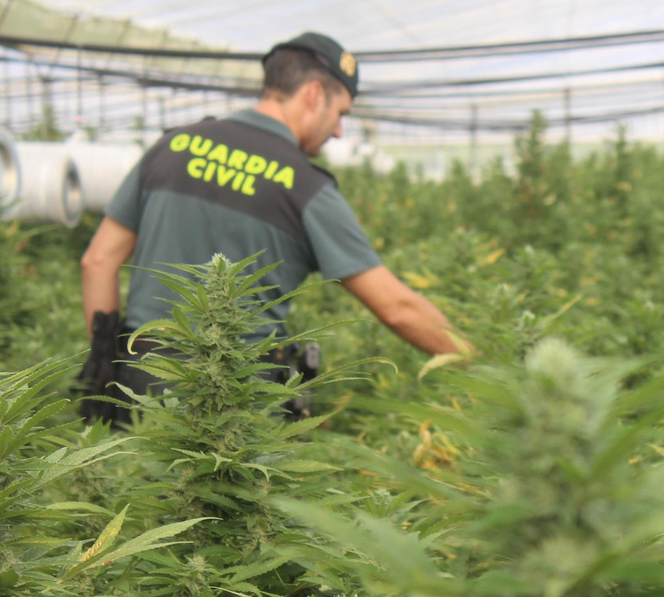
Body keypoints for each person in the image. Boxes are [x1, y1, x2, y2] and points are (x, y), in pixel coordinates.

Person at [77, 31, 464, 421]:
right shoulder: (307, 187)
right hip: (235, 401)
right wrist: (482, 364)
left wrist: (106, 362)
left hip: (142, 384)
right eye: (341, 114)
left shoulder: (171, 147)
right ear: (314, 94)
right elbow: (397, 308)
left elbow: (97, 261)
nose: (339, 131)